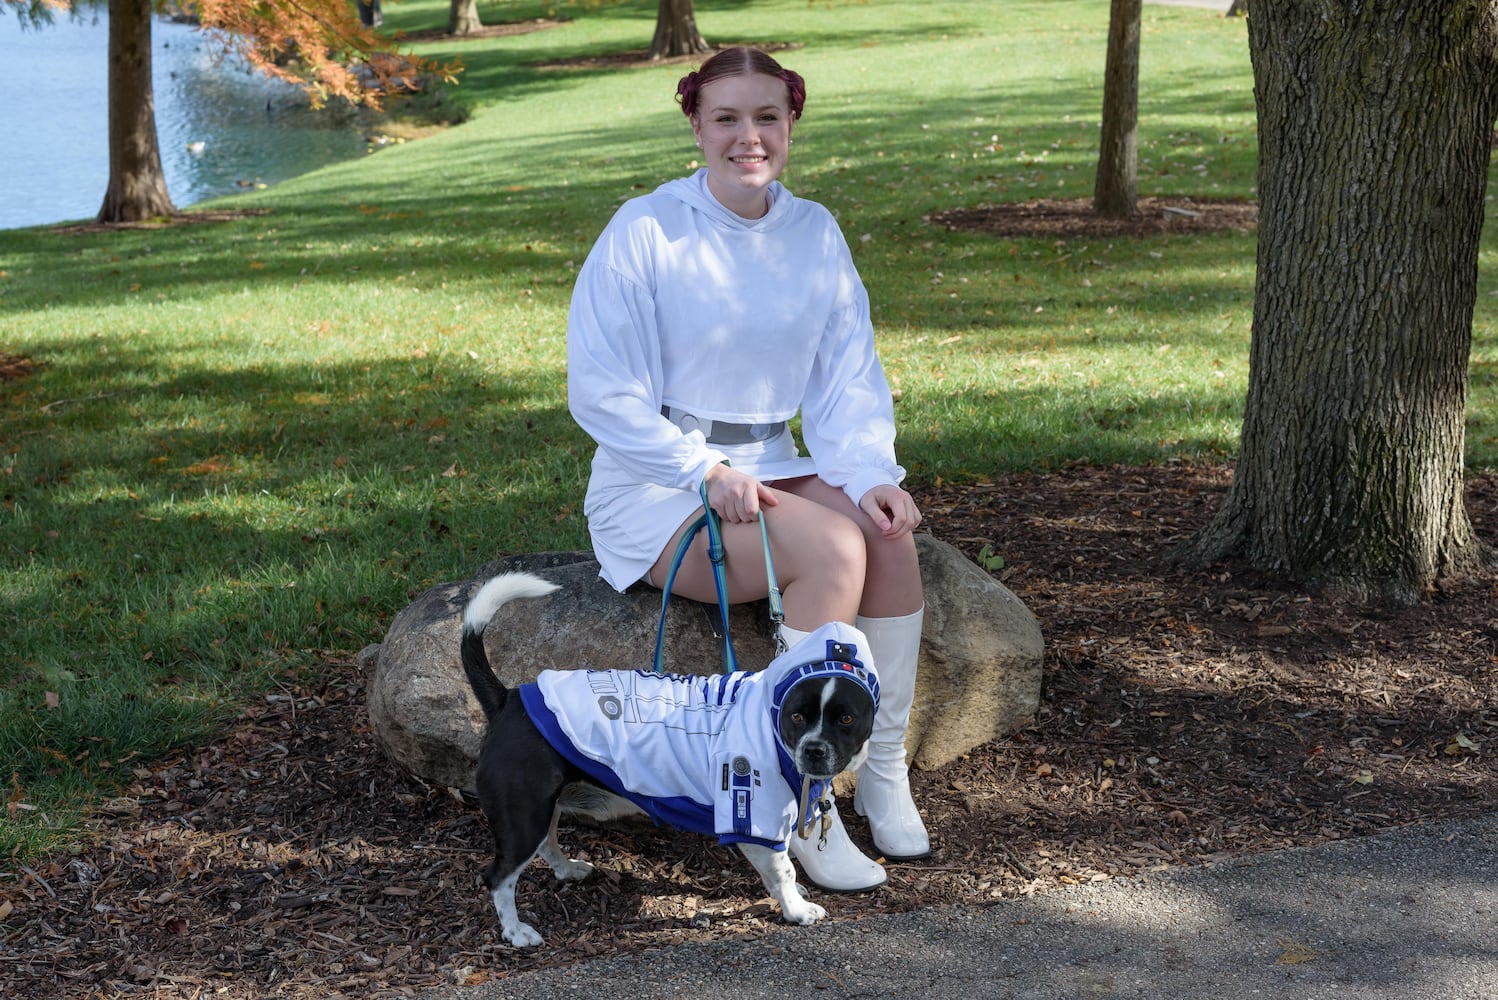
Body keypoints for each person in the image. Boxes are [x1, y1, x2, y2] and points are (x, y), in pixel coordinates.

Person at [565, 46, 927, 892]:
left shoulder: (815, 232)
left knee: (887, 534)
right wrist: (702, 468)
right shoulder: (646, 229)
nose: (748, 136)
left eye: (767, 116)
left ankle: (880, 771)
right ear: (696, 124)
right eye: (727, 117)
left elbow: (846, 377)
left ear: (791, 123)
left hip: (774, 456)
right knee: (835, 554)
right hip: (657, 480)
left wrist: (871, 471)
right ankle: (800, 802)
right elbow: (603, 393)